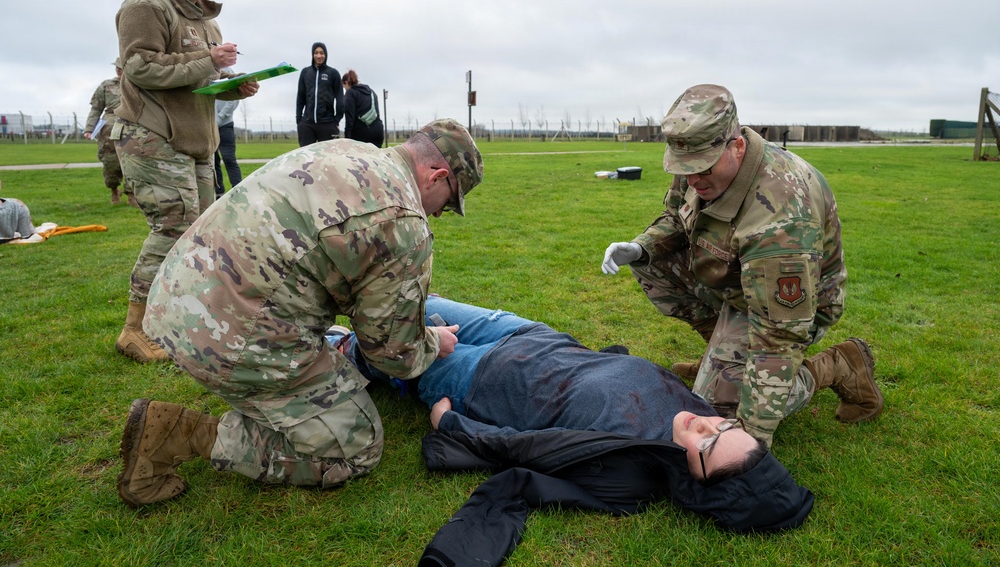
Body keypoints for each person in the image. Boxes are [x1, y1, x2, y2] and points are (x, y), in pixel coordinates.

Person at [116, 119, 484, 509]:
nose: (439, 214)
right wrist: (432, 342)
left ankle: (267, 397)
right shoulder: (403, 220)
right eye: (448, 202)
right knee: (357, 445)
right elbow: (392, 354)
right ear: (437, 176)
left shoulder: (346, 150)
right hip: (226, 336)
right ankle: (183, 434)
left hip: (174, 297)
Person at [335, 296, 814, 566]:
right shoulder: (699, 412)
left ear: (696, 480)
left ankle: (333, 348)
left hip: (478, 380)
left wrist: (452, 424)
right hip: (529, 335)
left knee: (384, 341)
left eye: (708, 443)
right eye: (726, 424)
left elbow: (531, 452)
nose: (705, 421)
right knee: (406, 301)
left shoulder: (629, 470)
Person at [601, 84, 883, 447]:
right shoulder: (699, 162)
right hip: (735, 281)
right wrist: (641, 247)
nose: (691, 179)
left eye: (701, 168)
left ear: (737, 147)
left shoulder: (780, 216)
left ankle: (839, 364)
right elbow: (676, 218)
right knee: (654, 261)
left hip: (793, 309)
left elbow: (779, 337)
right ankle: (721, 360)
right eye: (683, 168)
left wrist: (750, 442)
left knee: (720, 413)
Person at [112, 0, 258, 364]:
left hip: (196, 141)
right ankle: (134, 330)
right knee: (174, 228)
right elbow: (140, 67)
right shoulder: (147, 5)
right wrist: (209, 60)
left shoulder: (207, 21)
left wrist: (232, 84)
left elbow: (199, 78)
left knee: (201, 233)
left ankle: (178, 319)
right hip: (153, 136)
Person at [83, 60, 133, 206]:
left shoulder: (138, 85)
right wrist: (89, 129)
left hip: (132, 127)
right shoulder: (106, 86)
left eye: (121, 67)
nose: (118, 70)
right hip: (109, 131)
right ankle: (114, 190)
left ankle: (132, 194)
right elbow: (96, 109)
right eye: (117, 67)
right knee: (110, 162)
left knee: (133, 161)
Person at [295, 42, 343, 146]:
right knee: (306, 155)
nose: (319, 56)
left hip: (328, 123)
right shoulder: (305, 72)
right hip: (307, 124)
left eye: (322, 53)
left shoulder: (333, 73)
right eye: (316, 53)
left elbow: (340, 98)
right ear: (313, 54)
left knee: (329, 155)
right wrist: (299, 120)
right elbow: (300, 97)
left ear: (325, 55)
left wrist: (337, 120)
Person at [342, 69, 384, 148]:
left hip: (361, 133)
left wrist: (347, 138)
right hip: (378, 130)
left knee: (358, 155)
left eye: (344, 87)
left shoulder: (350, 93)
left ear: (346, 83)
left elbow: (349, 118)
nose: (345, 89)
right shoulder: (371, 92)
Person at [213, 90, 242, 197]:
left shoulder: (228, 78)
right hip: (210, 126)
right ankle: (219, 192)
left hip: (225, 125)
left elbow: (233, 100)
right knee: (214, 161)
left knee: (229, 159)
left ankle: (238, 191)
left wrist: (220, 117)